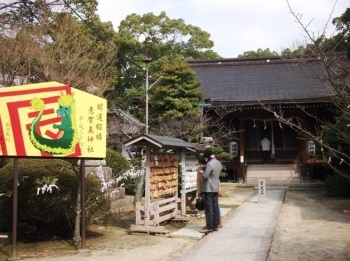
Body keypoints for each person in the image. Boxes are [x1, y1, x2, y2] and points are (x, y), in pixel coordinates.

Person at [199, 148, 222, 233]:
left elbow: (205, 176)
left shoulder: (209, 164)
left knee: (209, 208)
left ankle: (210, 227)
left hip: (208, 188)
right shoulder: (219, 163)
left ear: (207, 157)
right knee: (215, 207)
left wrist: (201, 172)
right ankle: (215, 225)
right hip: (215, 187)